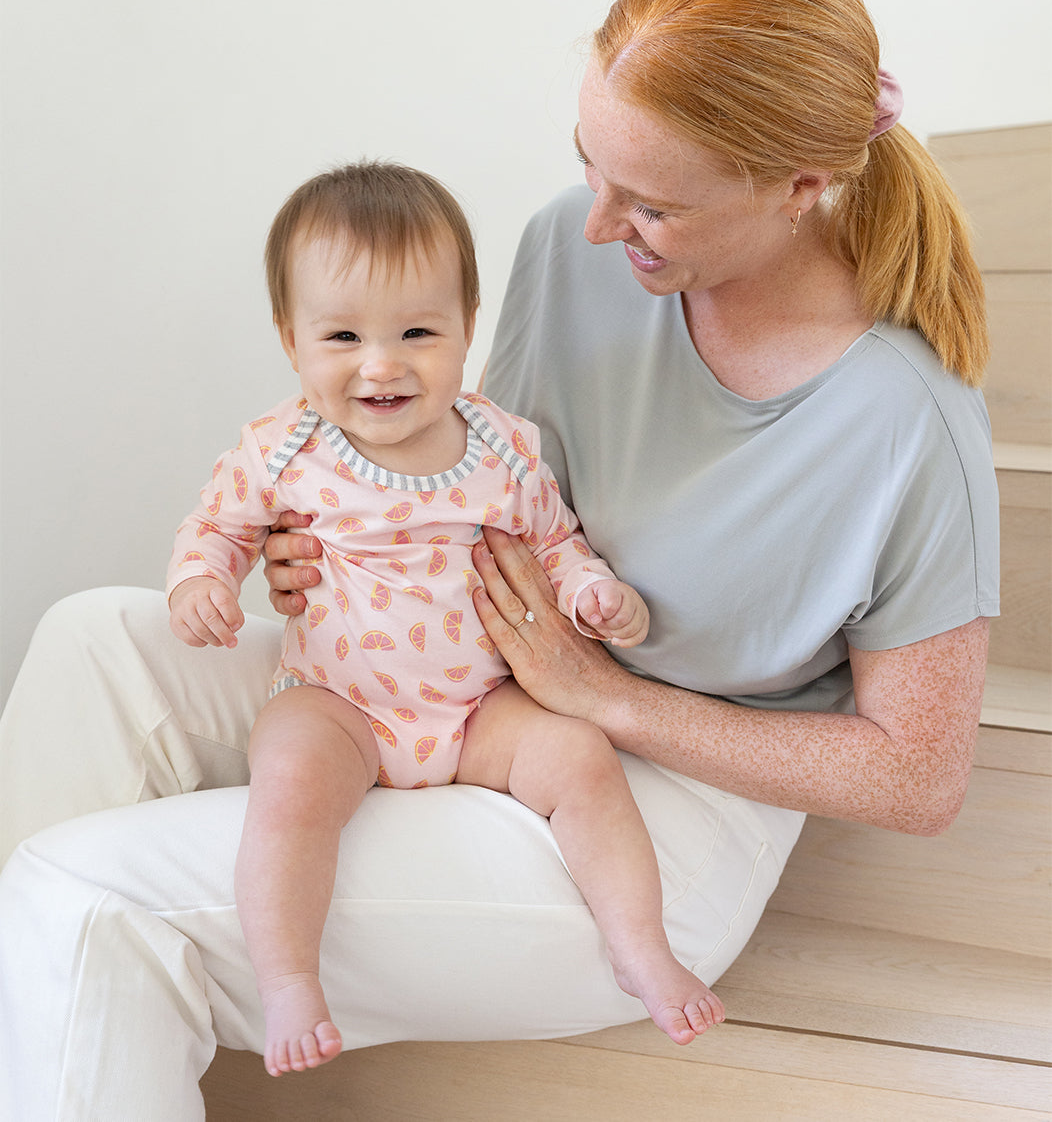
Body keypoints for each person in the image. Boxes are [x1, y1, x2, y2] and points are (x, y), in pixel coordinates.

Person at [0, 0, 996, 1121]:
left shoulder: (902, 424)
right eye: (593, 166)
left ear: (795, 185)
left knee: (90, 896)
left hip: (658, 805)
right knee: (92, 644)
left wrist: (617, 701)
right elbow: (485, 486)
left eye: (652, 204)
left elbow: (920, 774)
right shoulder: (572, 251)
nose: (595, 223)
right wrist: (318, 536)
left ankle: (72, 980)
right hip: (473, 678)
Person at [165, 160, 720, 1076]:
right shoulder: (283, 446)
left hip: (476, 712)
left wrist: (591, 592)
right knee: (291, 784)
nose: (381, 364)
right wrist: (200, 583)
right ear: (290, 338)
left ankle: (641, 948)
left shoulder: (502, 446)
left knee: (580, 759)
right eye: (341, 335)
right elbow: (217, 524)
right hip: (341, 700)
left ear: (468, 330)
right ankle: (289, 979)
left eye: (418, 331)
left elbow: (554, 541)